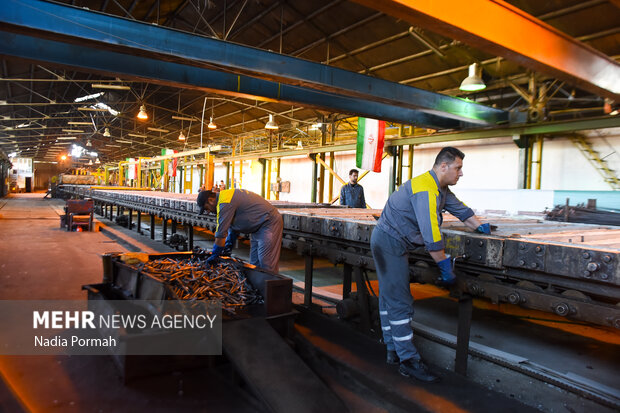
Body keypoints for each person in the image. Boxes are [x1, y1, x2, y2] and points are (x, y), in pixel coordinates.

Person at [370, 146, 491, 383]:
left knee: (389, 296)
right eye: (458, 168)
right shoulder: (425, 189)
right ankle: (408, 361)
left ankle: (393, 350)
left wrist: (479, 227)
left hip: (394, 242)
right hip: (389, 242)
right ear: (443, 166)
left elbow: (460, 210)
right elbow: (431, 234)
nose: (461, 173)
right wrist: (446, 267)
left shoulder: (440, 188)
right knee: (400, 301)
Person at [197, 188, 283, 273]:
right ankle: (259, 285)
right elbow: (231, 228)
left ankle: (271, 285)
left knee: (266, 263)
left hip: (269, 223)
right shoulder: (225, 198)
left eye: (206, 208)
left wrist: (215, 255)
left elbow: (220, 235)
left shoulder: (225, 202)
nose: (208, 212)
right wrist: (228, 246)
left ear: (210, 200)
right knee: (254, 264)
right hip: (257, 227)